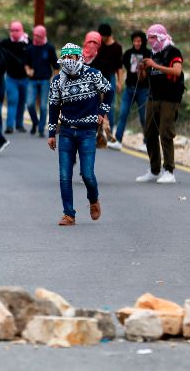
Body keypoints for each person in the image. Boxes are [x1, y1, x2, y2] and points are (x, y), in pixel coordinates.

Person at [47, 43, 112, 226]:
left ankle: (93, 199)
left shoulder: (93, 74)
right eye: (65, 58)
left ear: (78, 58)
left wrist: (101, 112)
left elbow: (109, 92)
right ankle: (69, 214)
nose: (68, 61)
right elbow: (53, 107)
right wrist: (52, 133)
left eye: (72, 57)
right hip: (66, 131)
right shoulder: (57, 81)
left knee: (87, 174)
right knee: (64, 176)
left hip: (87, 132)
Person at [135, 24, 184, 184]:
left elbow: (177, 71)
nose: (150, 41)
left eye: (153, 37)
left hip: (169, 99)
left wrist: (155, 66)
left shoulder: (173, 52)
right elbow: (143, 79)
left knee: (166, 133)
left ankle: (169, 171)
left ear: (162, 36)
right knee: (149, 133)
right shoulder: (152, 54)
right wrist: (141, 70)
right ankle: (154, 170)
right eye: (148, 37)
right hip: (153, 98)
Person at [109, 31, 151, 150]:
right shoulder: (128, 53)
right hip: (129, 89)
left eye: (139, 41)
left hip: (143, 89)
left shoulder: (148, 54)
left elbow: (148, 74)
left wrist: (142, 71)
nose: (137, 43)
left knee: (144, 117)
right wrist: (119, 81)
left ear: (143, 41)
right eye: (135, 41)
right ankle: (118, 140)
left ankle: (146, 142)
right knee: (123, 113)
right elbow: (120, 67)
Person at [24, 25, 58, 137]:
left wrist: (55, 79)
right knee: (29, 104)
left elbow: (56, 66)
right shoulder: (30, 48)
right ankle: (35, 122)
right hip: (32, 80)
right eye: (34, 35)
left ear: (43, 35)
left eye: (38, 36)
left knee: (43, 106)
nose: (35, 37)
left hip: (44, 80)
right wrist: (28, 70)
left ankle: (41, 128)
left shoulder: (49, 48)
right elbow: (26, 64)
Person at [90, 23, 124, 132]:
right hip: (97, 76)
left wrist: (120, 82)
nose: (100, 38)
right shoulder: (98, 46)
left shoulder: (117, 47)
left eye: (102, 35)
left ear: (107, 35)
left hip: (110, 76)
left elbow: (119, 66)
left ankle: (109, 130)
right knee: (94, 102)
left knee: (109, 105)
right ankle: (96, 129)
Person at [1, 21, 30, 133]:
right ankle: (9, 125)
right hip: (11, 78)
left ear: (22, 30)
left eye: (16, 30)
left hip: (25, 78)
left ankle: (19, 124)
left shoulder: (28, 43)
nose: (14, 33)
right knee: (12, 101)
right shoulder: (5, 43)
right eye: (12, 30)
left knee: (22, 102)